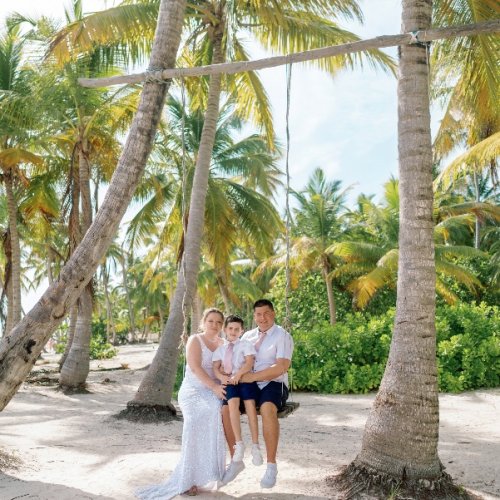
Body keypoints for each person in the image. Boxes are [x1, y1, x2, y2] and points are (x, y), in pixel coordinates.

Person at [136, 308, 227, 499]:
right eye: (211, 321)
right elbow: (195, 367)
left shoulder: (224, 344)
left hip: (213, 391)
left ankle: (206, 476)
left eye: (219, 322)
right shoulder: (195, 340)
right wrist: (214, 387)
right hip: (194, 391)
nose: (215, 325)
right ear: (203, 322)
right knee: (193, 425)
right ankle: (187, 479)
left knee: (215, 413)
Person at [221, 299, 294, 489]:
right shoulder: (247, 336)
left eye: (267, 313)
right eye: (259, 314)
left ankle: (271, 466)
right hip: (247, 383)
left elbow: (281, 367)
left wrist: (252, 377)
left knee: (268, 408)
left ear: (274, 313)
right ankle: (236, 458)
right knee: (225, 409)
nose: (263, 318)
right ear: (254, 316)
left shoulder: (282, 336)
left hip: (272, 382)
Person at [213, 315, 263, 468]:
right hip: (231, 382)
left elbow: (249, 363)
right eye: (230, 328)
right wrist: (222, 377)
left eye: (237, 329)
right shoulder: (220, 349)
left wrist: (238, 375)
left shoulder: (246, 345)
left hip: (244, 379)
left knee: (249, 405)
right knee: (232, 405)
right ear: (225, 330)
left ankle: (255, 446)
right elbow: (216, 368)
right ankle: (239, 444)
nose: (233, 331)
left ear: (242, 331)